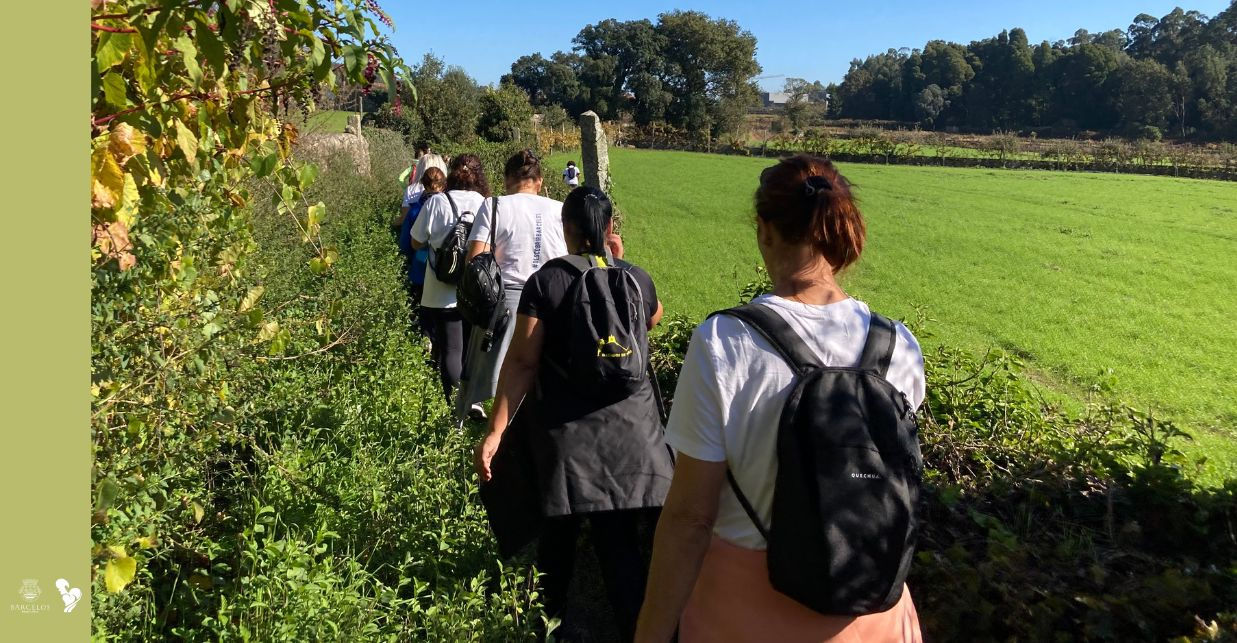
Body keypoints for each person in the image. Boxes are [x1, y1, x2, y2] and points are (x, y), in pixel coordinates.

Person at [633, 155, 926, 643]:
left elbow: (690, 519)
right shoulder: (901, 346)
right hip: (875, 613)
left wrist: (651, 633)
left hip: (741, 614)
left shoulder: (725, 341)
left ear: (765, 231)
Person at [475, 186, 672, 642]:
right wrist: (617, 261)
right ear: (609, 227)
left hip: (568, 442)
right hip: (634, 439)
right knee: (621, 551)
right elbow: (653, 318)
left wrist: (496, 431)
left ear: (566, 229)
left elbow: (522, 362)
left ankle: (548, 628)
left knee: (556, 545)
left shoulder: (547, 282)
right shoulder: (636, 278)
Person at [455, 150, 569, 421]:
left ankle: (467, 418)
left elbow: (475, 259)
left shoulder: (495, 205)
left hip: (505, 301)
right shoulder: (561, 209)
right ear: (539, 181)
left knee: (484, 369)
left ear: (507, 180)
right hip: (552, 300)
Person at [410, 154, 490, 402]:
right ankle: (474, 401)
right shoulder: (485, 203)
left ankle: (454, 408)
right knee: (471, 349)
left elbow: (416, 242)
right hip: (475, 289)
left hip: (440, 291)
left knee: (451, 349)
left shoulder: (436, 202)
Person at [398, 165, 447, 317]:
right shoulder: (450, 208)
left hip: (420, 267)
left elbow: (405, 243)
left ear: (423, 185)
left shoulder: (415, 209)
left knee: (419, 311)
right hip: (446, 270)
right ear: (444, 185)